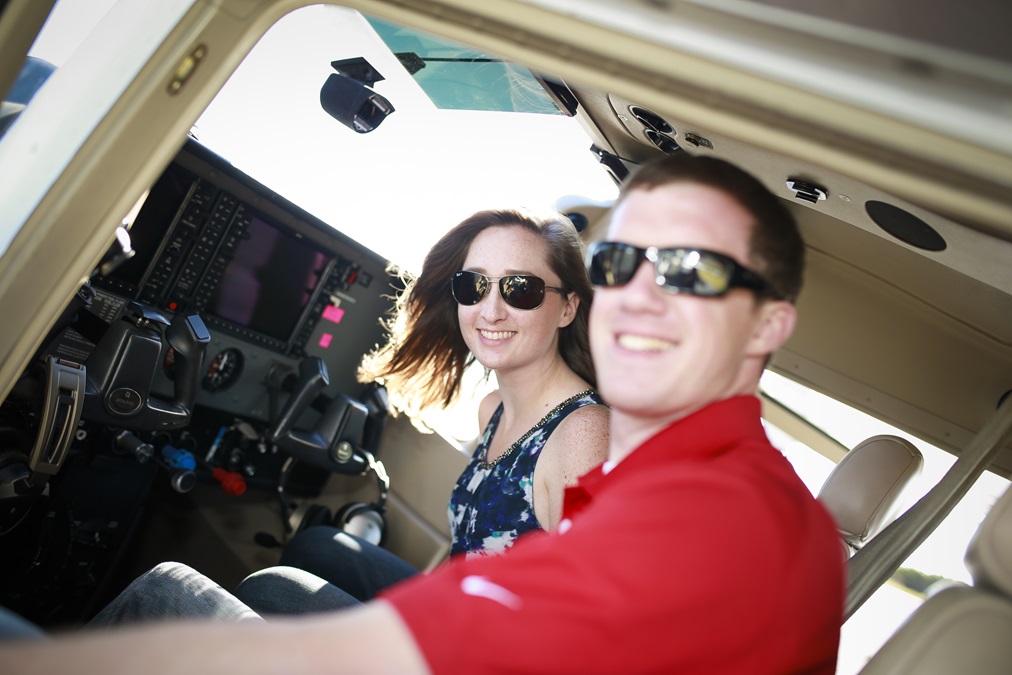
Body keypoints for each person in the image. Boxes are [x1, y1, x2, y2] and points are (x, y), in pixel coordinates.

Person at [1, 154, 845, 674]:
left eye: (690, 272)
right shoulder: (520, 415)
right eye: (623, 261)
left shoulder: (617, 458)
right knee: (279, 575)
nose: (635, 297)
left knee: (166, 594)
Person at [236, 207, 610, 612]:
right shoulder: (494, 408)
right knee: (317, 547)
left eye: (520, 289)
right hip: (459, 604)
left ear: (568, 308)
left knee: (270, 590)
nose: (490, 311)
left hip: (489, 649)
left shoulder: (583, 434)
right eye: (475, 286)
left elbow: (580, 614)